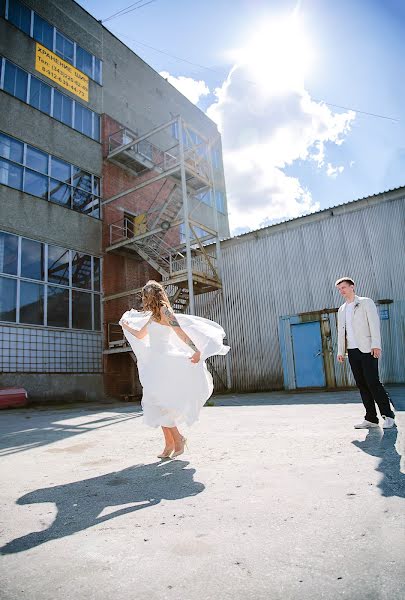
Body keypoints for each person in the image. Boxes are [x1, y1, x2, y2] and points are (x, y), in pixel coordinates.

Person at [120, 280, 230, 459]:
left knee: (163, 403)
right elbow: (140, 335)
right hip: (153, 362)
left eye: (146, 295)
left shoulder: (165, 311)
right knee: (156, 403)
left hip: (165, 362)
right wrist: (126, 326)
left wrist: (196, 350)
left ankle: (178, 440)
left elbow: (179, 333)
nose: (144, 299)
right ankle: (169, 444)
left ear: (154, 295)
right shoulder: (152, 315)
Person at [335, 277, 395, 429]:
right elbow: (341, 331)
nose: (341, 291)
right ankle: (371, 419)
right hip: (352, 351)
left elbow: (374, 324)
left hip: (367, 348)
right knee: (362, 384)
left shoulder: (365, 302)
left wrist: (376, 344)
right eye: (339, 289)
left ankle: (388, 416)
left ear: (352, 287)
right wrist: (341, 351)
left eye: (344, 287)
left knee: (373, 382)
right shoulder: (342, 309)